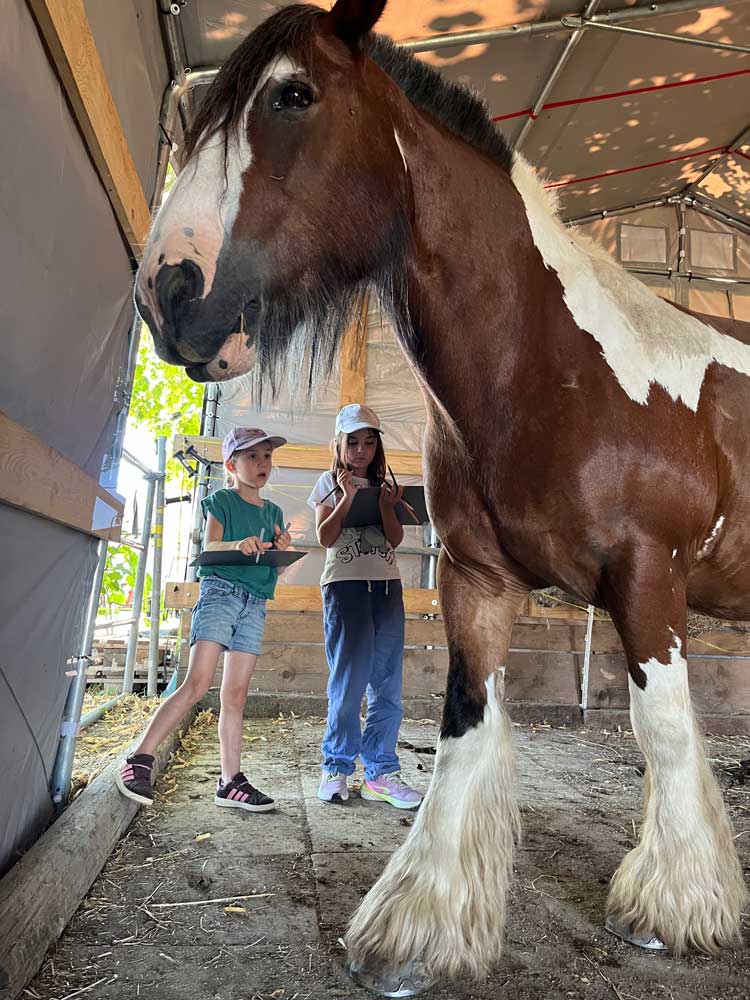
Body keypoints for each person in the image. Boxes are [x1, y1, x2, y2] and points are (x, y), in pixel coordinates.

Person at [116, 427, 292, 813]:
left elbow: (276, 571)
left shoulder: (275, 513)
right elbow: (210, 546)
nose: (262, 463)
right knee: (197, 684)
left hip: (255, 603)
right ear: (231, 464)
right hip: (220, 594)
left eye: (266, 456)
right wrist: (237, 545)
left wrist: (281, 552)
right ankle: (138, 759)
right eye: (252, 456)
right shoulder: (222, 501)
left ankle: (230, 782)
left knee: (236, 694)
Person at [308, 403, 423, 809]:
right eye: (353, 442)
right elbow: (325, 537)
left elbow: (394, 539)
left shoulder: (386, 484)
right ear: (339, 444)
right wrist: (348, 497)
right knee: (348, 683)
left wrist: (388, 506)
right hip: (345, 588)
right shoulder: (328, 482)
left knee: (387, 685)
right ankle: (335, 768)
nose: (361, 450)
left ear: (378, 446)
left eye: (369, 442)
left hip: (387, 589)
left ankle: (380, 773)